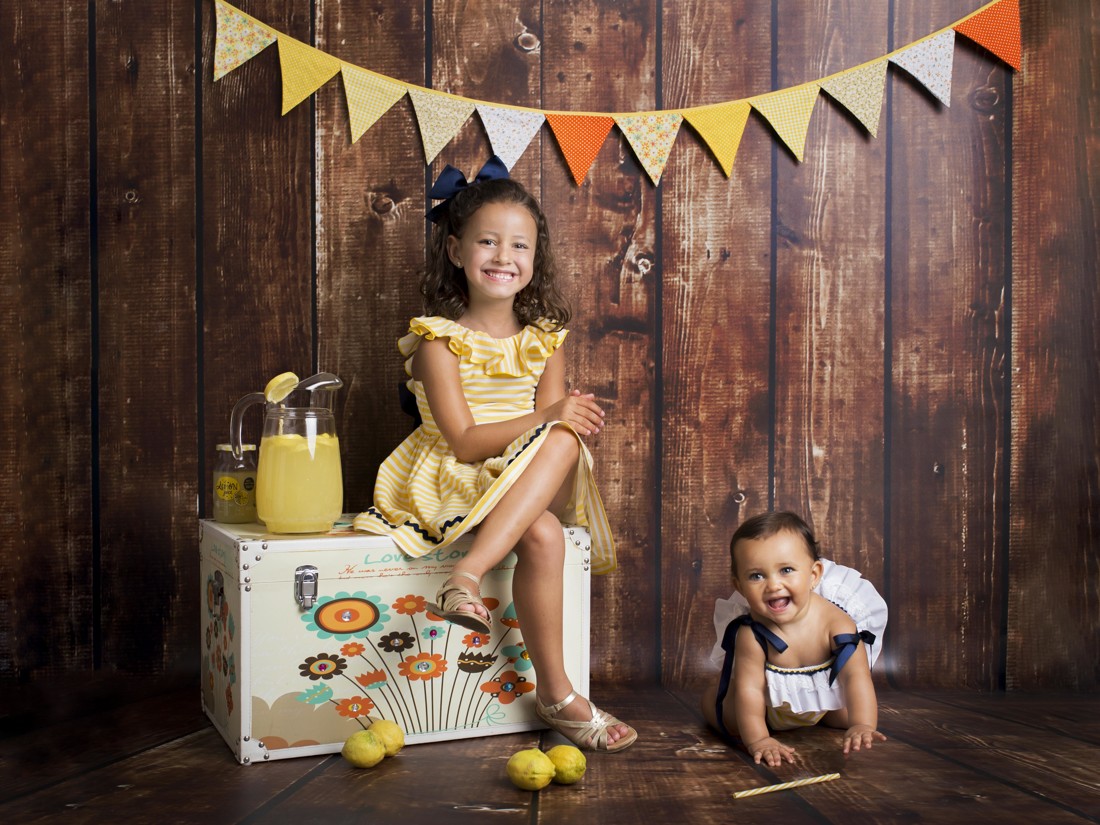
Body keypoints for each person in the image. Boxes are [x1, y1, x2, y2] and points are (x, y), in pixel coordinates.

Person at [354, 156, 636, 752]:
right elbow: (461, 440)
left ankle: (466, 575)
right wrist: (550, 418)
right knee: (544, 536)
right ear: (456, 252)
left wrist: (567, 418)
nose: (503, 257)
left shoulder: (545, 342)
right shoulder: (439, 341)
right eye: (487, 242)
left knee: (565, 437)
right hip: (453, 477)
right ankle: (558, 695)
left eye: (519, 246)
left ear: (536, 260)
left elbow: (552, 434)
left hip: (524, 471)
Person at [701, 511, 887, 766]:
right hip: (767, 710)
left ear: (813, 575)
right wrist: (759, 740)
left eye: (786, 570)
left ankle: (830, 716)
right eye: (757, 575)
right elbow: (751, 690)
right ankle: (727, 708)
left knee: (848, 712)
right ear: (740, 586)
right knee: (726, 715)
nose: (773, 585)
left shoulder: (836, 622)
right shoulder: (752, 634)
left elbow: (856, 676)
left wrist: (862, 724)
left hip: (820, 709)